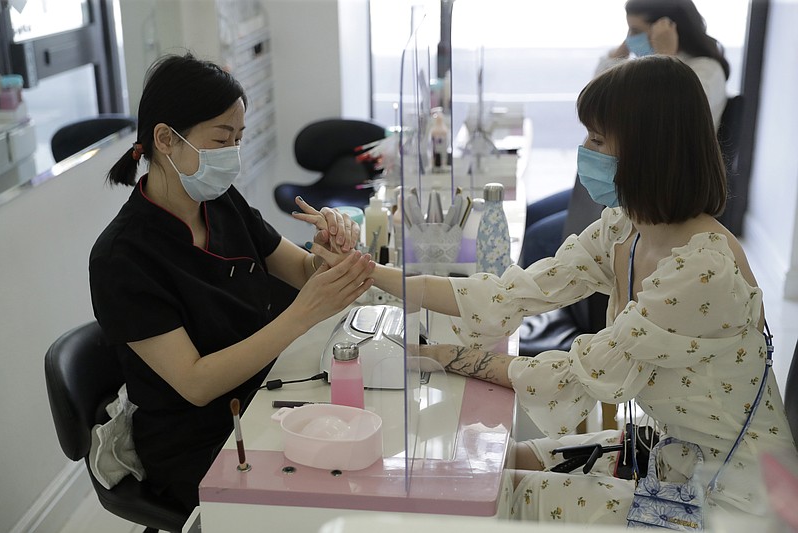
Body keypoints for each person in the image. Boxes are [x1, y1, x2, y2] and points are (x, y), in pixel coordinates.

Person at [312, 55, 794, 525]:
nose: (584, 150)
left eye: (597, 139)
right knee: (494, 465)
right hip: (671, 453)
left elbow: (571, 373)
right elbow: (510, 292)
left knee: (501, 495)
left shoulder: (701, 269)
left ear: (648, 150)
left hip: (733, 496)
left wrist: (440, 355)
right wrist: (369, 271)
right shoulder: (626, 229)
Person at [89, 53, 374, 514]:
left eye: (238, 138)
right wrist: (304, 313)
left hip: (265, 395)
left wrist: (328, 252)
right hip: (198, 441)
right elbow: (196, 384)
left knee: (363, 461)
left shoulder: (221, 201)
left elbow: (301, 272)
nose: (233, 154)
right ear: (166, 139)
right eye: (222, 138)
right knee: (333, 503)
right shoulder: (121, 258)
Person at [521, 0, 731, 268]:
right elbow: (599, 103)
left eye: (636, 31)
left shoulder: (702, 72)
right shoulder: (644, 68)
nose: (633, 39)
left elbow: (667, 124)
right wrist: (626, 48)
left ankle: (566, 308)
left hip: (650, 188)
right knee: (532, 214)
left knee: (538, 238)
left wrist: (666, 57)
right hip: (620, 178)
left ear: (666, 27)